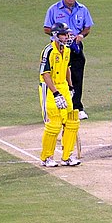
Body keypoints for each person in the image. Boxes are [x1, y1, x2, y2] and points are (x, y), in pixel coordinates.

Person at [44, 0, 94, 120]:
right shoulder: (53, 9)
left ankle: (77, 108)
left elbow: (87, 27)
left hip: (75, 46)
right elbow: (46, 28)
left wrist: (80, 36)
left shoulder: (82, 9)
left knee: (77, 77)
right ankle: (55, 107)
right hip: (59, 47)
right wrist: (61, 35)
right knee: (58, 77)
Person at [38, 22, 80, 167]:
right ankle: (46, 157)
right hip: (49, 88)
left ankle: (67, 156)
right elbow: (45, 75)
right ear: (56, 35)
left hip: (63, 86)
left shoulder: (67, 50)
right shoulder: (48, 51)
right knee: (54, 124)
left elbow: (67, 68)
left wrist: (71, 86)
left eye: (67, 34)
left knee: (71, 121)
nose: (67, 37)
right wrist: (56, 93)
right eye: (64, 34)